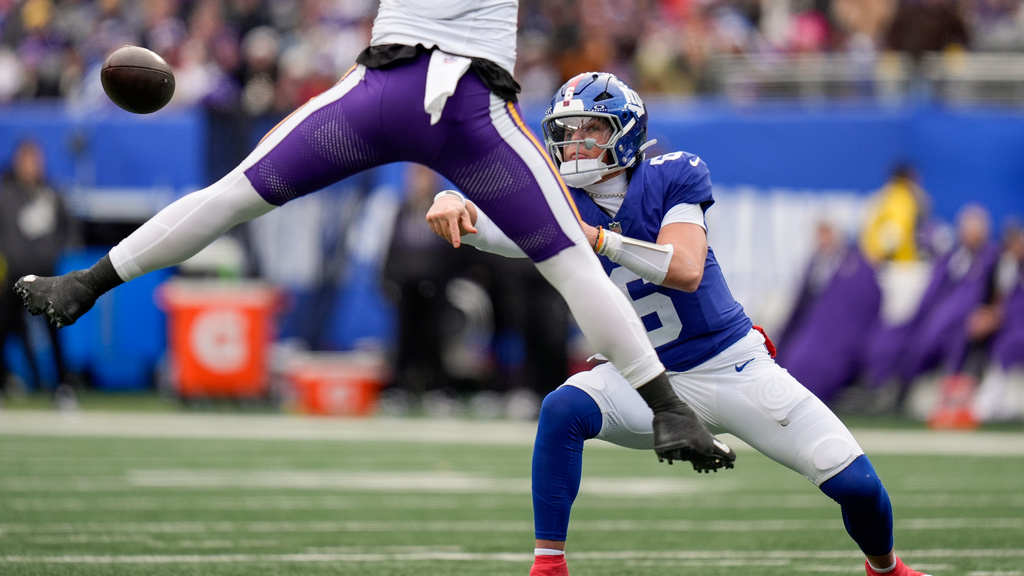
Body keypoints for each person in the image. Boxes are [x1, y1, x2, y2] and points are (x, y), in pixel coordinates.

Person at [13, 1, 732, 471]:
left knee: (232, 196)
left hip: (381, 92)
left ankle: (87, 283)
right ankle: (669, 410)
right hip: (471, 109)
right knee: (571, 262)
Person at [426, 72, 931, 576]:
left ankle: (888, 570)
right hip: (643, 377)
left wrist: (597, 238)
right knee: (562, 409)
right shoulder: (558, 198)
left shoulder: (672, 174)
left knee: (859, 487)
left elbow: (685, 269)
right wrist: (453, 202)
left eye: (590, 129)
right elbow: (487, 222)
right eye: (567, 130)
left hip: (731, 366)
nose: (574, 142)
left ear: (625, 133)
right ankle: (548, 568)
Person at [0, 138, 78, 407]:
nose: (32, 166)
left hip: (46, 276)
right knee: (3, 329)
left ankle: (63, 388)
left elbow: (68, 229)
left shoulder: (50, 194)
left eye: (35, 160)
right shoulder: (6, 194)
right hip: (14, 276)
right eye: (27, 159)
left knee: (55, 332)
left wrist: (54, 252)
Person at [775, 219, 882, 405]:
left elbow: (864, 305)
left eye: (826, 234)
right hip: (813, 334)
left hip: (838, 337)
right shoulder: (815, 266)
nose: (822, 241)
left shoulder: (856, 267)